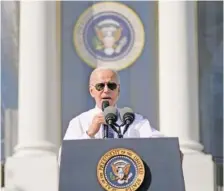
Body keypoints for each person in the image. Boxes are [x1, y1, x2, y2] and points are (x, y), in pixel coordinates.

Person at [63, 66, 164, 140]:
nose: (106, 90)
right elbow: (63, 158)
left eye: (112, 86)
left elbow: (159, 142)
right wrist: (89, 133)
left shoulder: (132, 120)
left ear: (118, 91)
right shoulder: (79, 122)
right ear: (91, 91)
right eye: (100, 86)